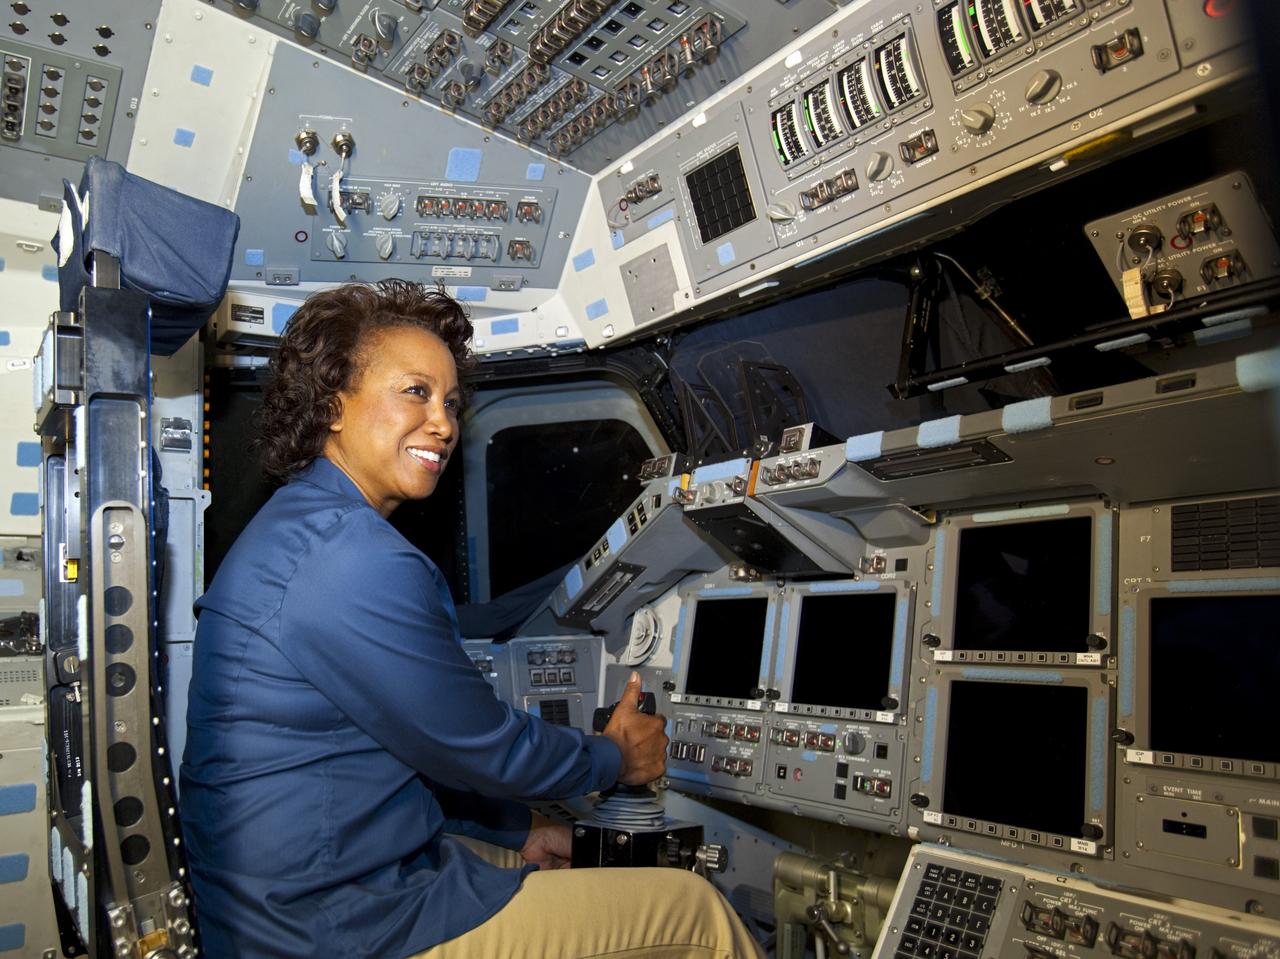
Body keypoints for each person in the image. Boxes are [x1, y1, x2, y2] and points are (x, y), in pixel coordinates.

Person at [180, 280, 763, 958]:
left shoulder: (299, 527)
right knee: (695, 912)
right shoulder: (350, 558)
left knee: (555, 855)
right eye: (415, 392)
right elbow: (485, 747)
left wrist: (518, 828)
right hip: (340, 928)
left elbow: (381, 757)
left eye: (451, 402)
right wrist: (617, 757)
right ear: (333, 403)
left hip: (291, 906)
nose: (444, 423)